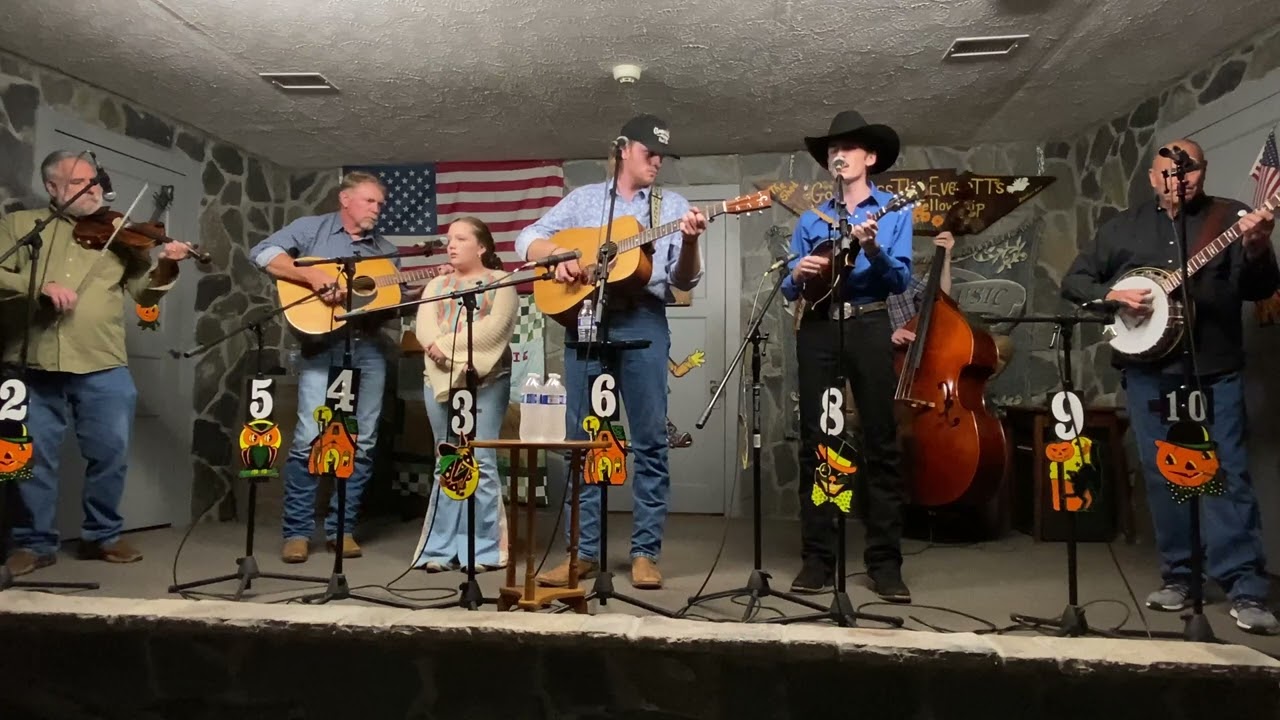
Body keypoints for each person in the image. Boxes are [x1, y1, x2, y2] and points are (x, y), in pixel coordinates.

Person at [1061, 138, 1278, 634]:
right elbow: (1075, 282)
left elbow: (1260, 288)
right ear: (1152, 177)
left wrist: (1258, 246)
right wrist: (1111, 295)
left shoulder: (1231, 216)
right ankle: (1182, 576)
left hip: (1213, 366)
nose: (1175, 181)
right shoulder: (1122, 228)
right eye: (1165, 173)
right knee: (1165, 475)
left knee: (1225, 473)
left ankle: (1246, 587)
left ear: (1201, 171)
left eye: (1186, 172)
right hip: (1148, 370)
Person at [515, 114, 708, 590]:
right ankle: (580, 553)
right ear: (624, 149)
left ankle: (644, 552)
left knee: (648, 440)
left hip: (644, 317)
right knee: (583, 443)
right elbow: (526, 240)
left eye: (663, 155)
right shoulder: (584, 200)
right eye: (650, 153)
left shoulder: (672, 205)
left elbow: (684, 281)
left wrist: (689, 241)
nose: (657, 162)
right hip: (586, 320)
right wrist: (556, 259)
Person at [0, 150, 192, 576]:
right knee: (31, 456)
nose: (97, 190)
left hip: (102, 363)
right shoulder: (19, 226)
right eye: (82, 183)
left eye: (97, 181)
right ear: (53, 187)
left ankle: (101, 536)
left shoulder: (121, 233)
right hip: (32, 361)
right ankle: (34, 543)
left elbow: (145, 294)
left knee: (110, 453)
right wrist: (39, 287)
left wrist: (166, 266)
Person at [249, 170, 423, 564]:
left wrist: (416, 293)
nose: (377, 209)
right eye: (370, 201)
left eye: (380, 203)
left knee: (361, 440)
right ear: (346, 200)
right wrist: (309, 273)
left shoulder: (385, 250)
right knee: (310, 435)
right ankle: (296, 533)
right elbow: (261, 253)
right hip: (319, 345)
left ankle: (341, 529)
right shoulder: (311, 230)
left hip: (369, 347)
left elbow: (387, 303)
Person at [781, 110, 914, 602]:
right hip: (817, 327)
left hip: (870, 322)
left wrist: (875, 250)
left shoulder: (895, 212)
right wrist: (798, 274)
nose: (838, 155)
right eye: (832, 150)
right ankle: (818, 558)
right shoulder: (811, 219)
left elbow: (901, 280)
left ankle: (885, 564)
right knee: (818, 443)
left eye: (849, 148)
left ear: (870, 158)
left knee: (880, 439)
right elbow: (785, 288)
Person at [410, 217, 516, 572]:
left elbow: (494, 328)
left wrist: (446, 349)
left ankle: (482, 548)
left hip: (486, 382)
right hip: (439, 380)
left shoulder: (502, 283)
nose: (451, 245)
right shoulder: (437, 284)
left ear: (482, 247)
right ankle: (439, 548)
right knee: (448, 458)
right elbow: (423, 325)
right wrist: (435, 348)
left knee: (480, 461)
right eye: (449, 240)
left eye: (460, 239)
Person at [887, 232, 955, 346]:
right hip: (881, 354)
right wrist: (889, 335)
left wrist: (946, 257)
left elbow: (942, 295)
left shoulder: (903, 278)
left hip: (912, 350)